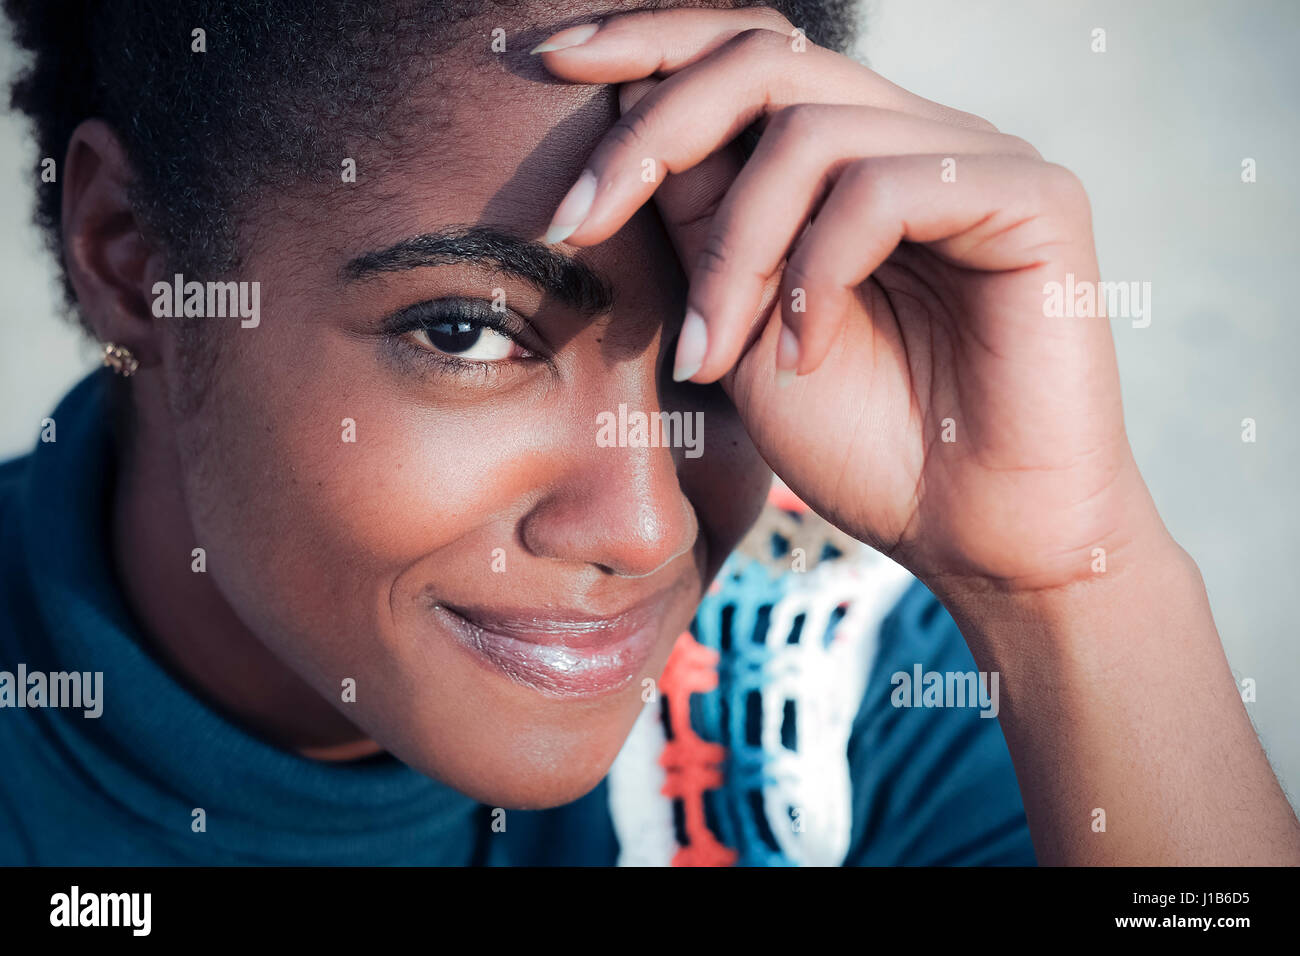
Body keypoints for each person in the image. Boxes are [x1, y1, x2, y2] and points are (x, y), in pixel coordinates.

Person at [0, 0, 1296, 866]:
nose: (646, 528)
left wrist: (1071, 585)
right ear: (133, 256)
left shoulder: (823, 708)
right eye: (467, 335)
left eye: (716, 355)